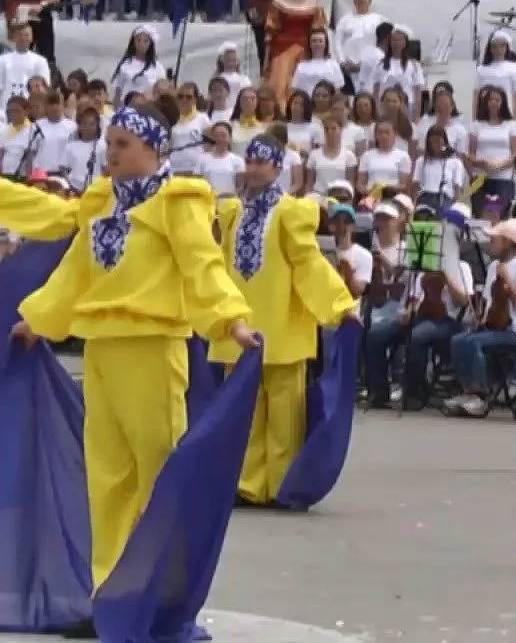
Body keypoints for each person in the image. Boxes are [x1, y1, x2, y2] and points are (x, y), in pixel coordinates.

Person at [3, 96, 262, 636]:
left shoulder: (179, 201)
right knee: (108, 482)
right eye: (110, 143)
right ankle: (112, 602)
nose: (110, 153)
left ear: (154, 148)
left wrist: (231, 320)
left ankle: (160, 603)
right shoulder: (102, 202)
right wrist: (40, 319)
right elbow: (77, 271)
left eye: (123, 145)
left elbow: (202, 265)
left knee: (158, 481)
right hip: (101, 351)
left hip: (152, 349)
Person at [211, 133, 359, 505]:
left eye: (263, 161)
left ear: (278, 167)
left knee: (283, 417)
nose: (254, 167)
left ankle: (280, 484)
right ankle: (246, 483)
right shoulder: (232, 214)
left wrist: (340, 304)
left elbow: (308, 264)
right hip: (242, 325)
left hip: (281, 326)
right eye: (251, 160)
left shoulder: (290, 213)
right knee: (243, 413)